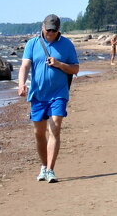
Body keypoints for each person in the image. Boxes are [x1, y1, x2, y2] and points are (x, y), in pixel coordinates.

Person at [17, 14, 80, 183]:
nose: (50, 33)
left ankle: (51, 169)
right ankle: (44, 166)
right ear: (42, 27)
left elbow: (75, 69)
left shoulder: (67, 45)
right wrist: (21, 84)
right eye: (47, 30)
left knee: (55, 128)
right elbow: (25, 65)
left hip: (59, 94)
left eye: (53, 30)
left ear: (58, 30)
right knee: (39, 133)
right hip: (38, 95)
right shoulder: (32, 43)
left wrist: (59, 64)